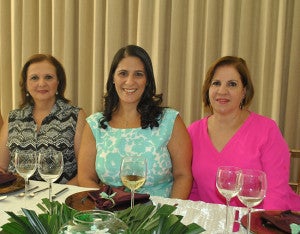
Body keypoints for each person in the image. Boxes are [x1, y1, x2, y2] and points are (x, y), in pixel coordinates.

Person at [78, 45, 192, 198]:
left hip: (158, 215)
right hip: (111, 214)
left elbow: (183, 175)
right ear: (113, 78)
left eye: (138, 74)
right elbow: (86, 178)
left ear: (147, 81)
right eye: (123, 73)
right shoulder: (95, 124)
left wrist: (171, 214)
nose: (130, 81)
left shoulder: (169, 120)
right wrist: (107, 206)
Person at [188, 55, 300, 210]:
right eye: (216, 83)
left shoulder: (267, 130)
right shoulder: (193, 132)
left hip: (262, 221)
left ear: (244, 92)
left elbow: (276, 194)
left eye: (232, 84)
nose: (222, 91)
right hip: (213, 223)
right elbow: (192, 190)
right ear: (208, 89)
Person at [0, 54, 86, 185]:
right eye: (34, 78)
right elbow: (2, 167)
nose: (41, 83)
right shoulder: (13, 117)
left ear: (58, 82)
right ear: (26, 84)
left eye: (48, 77)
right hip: (18, 196)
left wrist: (58, 197)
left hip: (60, 198)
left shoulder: (75, 116)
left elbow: (85, 172)